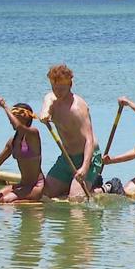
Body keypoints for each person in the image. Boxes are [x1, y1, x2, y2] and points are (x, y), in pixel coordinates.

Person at [38, 64, 102, 200]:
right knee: (45, 194)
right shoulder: (51, 99)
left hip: (88, 157)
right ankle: (70, 184)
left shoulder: (77, 108)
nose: (57, 92)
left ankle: (103, 189)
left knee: (75, 199)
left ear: (70, 85)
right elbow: (47, 101)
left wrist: (84, 168)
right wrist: (45, 112)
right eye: (54, 87)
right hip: (67, 157)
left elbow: (89, 140)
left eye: (61, 88)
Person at [0, 99, 45, 203]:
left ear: (26, 116)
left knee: (5, 200)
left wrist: (5, 106)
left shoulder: (33, 133)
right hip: (23, 184)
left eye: (16, 115)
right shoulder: (12, 141)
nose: (12, 118)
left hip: (36, 186)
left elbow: (17, 126)